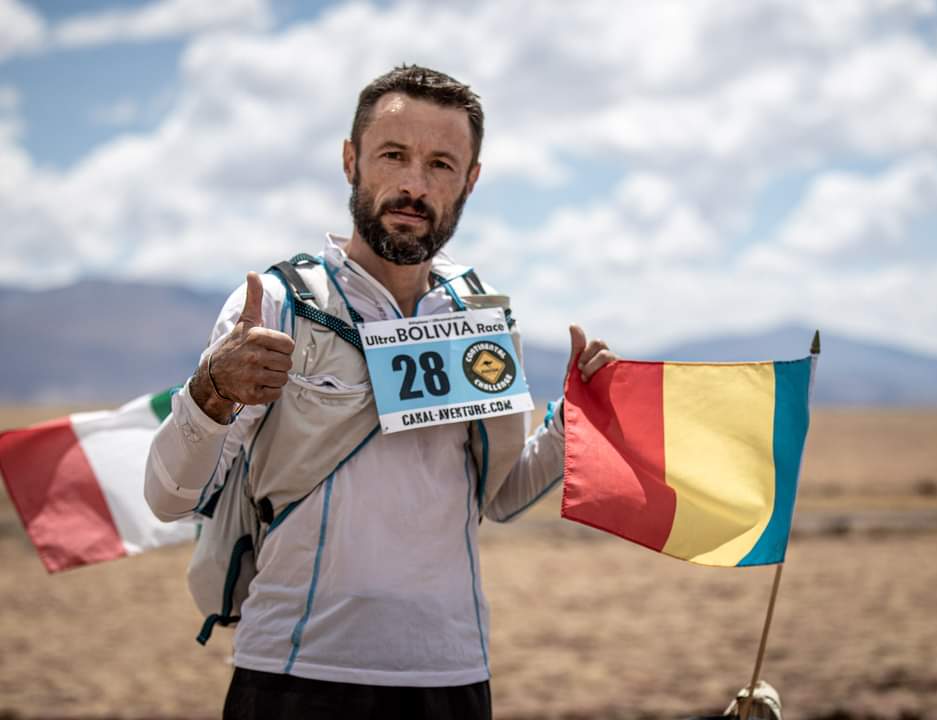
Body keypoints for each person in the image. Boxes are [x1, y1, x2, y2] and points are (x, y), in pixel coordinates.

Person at [144, 64, 615, 719]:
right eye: (393, 155)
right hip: (295, 672)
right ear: (351, 160)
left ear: (471, 180)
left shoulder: (478, 315)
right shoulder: (279, 306)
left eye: (441, 164)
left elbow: (501, 495)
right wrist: (211, 393)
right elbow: (168, 497)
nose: (414, 185)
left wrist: (572, 423)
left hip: (452, 674)